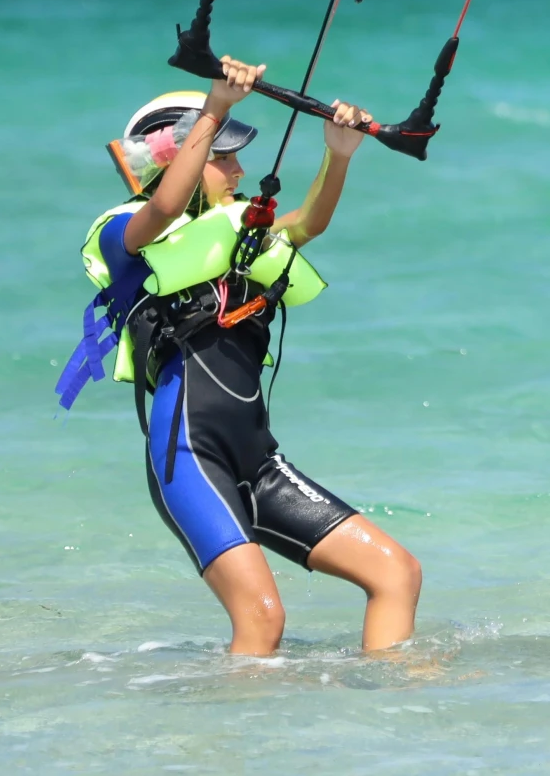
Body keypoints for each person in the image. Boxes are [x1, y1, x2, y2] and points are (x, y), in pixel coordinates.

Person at [59, 54, 422, 654]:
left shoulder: (239, 236)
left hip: (258, 460)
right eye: (223, 156)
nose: (237, 167)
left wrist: (339, 153)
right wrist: (217, 105)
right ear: (175, 156)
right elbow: (167, 208)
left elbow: (308, 225)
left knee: (396, 574)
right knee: (262, 619)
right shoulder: (125, 235)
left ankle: (392, 712)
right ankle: (226, 740)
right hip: (190, 457)